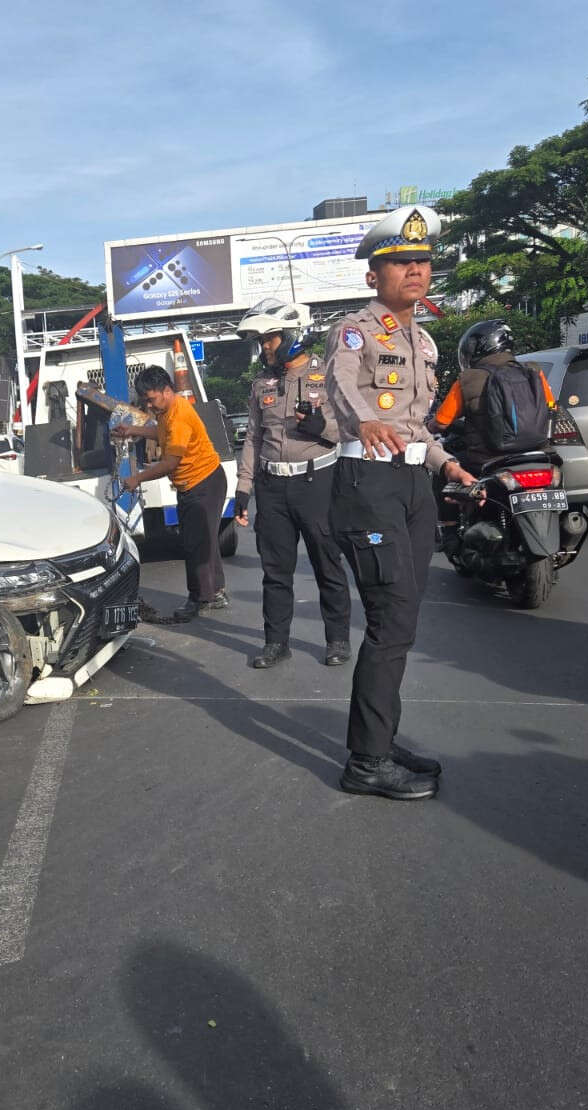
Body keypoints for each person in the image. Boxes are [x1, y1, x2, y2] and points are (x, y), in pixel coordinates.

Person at [322, 207, 477, 801]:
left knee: (403, 622)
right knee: (389, 624)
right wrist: (365, 423)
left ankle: (381, 741)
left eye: (421, 262)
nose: (414, 271)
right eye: (399, 263)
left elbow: (416, 426)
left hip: (414, 487)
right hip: (369, 485)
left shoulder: (423, 340)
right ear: (373, 276)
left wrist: (447, 464)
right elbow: (341, 386)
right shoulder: (355, 330)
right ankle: (366, 764)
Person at [232, 299, 353, 669]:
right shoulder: (261, 384)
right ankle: (276, 643)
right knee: (275, 571)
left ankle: (337, 639)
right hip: (272, 488)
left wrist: (323, 429)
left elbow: (351, 429)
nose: (264, 347)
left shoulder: (329, 376)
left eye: (269, 339)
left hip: (318, 482)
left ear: (293, 336)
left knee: (326, 564)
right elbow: (253, 438)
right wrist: (243, 488)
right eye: (261, 341)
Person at [429, 319, 558, 550]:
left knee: (444, 467)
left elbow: (441, 422)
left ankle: (449, 529)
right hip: (538, 454)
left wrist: (427, 427)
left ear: (478, 348)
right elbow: (551, 408)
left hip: (487, 458)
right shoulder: (534, 371)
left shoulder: (467, 379)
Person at [112, 365, 228, 620]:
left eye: (151, 400)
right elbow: (161, 433)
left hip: (205, 482)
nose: (149, 406)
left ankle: (200, 598)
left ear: (166, 391)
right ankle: (215, 591)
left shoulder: (179, 415)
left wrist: (137, 478)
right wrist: (133, 431)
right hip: (194, 484)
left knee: (196, 543)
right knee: (203, 539)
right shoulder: (167, 411)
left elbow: (169, 463)